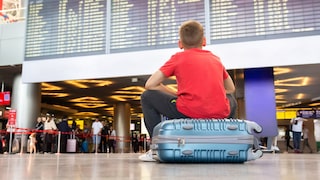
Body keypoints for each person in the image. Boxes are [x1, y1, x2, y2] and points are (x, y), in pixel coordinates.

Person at [139, 20, 237, 161]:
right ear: (204, 41)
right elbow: (231, 88)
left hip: (188, 111)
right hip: (219, 113)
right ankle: (229, 143)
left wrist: (175, 93)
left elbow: (150, 84)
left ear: (180, 43)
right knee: (231, 99)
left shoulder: (178, 58)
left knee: (147, 96)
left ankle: (156, 148)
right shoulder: (216, 59)